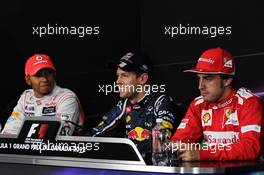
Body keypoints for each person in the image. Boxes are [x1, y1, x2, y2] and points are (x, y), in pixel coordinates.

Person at [171, 47, 264, 161]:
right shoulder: (198, 104)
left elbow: (251, 148)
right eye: (199, 79)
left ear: (227, 80)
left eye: (208, 78)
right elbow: (178, 142)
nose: (200, 86)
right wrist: (174, 148)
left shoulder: (249, 103)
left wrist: (202, 154)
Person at [90, 52, 181, 163]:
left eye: (124, 75)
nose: (118, 81)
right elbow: (95, 134)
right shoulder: (122, 105)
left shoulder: (161, 101)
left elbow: (162, 141)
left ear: (142, 79)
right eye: (118, 76)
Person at [1, 54, 85, 136]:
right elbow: (10, 130)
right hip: (28, 147)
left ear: (54, 74)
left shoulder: (67, 97)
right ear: (28, 80)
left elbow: (61, 135)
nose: (45, 79)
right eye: (38, 75)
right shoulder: (25, 97)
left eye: (48, 73)